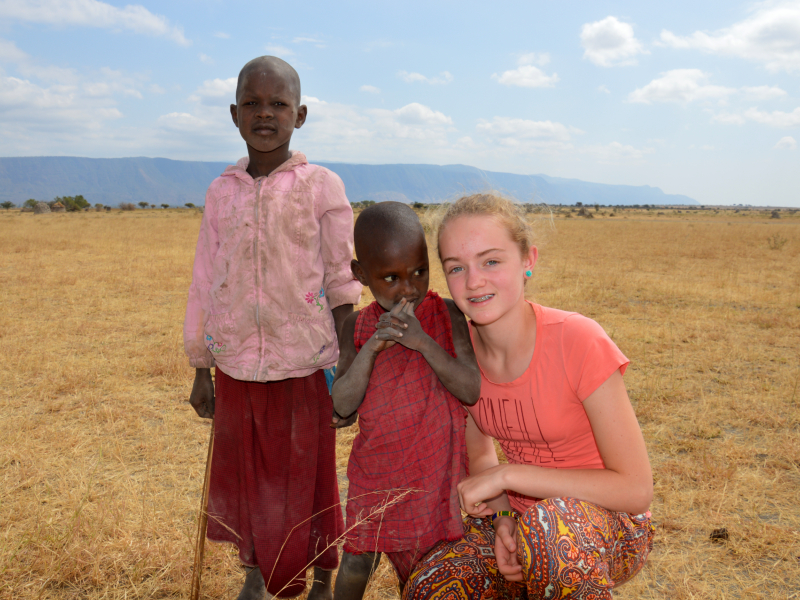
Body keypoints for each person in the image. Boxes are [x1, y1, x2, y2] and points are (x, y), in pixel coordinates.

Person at [404, 194, 655, 600]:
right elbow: (482, 457)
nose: (474, 281)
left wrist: (508, 475)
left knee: (548, 532)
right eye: (456, 268)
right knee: (433, 584)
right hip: (522, 521)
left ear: (527, 260)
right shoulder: (459, 356)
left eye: (491, 261)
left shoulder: (578, 340)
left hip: (612, 524)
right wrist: (503, 517)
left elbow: (635, 489)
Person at [183, 56, 361, 600]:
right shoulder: (222, 192)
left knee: (307, 478)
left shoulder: (321, 185)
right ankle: (258, 574)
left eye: (278, 104)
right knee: (252, 479)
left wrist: (349, 362)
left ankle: (324, 578)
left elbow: (342, 278)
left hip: (304, 363)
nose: (266, 114)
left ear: (300, 115)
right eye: (253, 104)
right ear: (234, 115)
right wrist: (200, 366)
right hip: (237, 365)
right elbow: (205, 278)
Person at [329, 202, 481, 599]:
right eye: (391, 277)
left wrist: (422, 342)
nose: (409, 288)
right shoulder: (357, 326)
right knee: (357, 559)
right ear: (361, 275)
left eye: (419, 271)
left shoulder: (447, 315)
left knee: (425, 567)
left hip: (431, 473)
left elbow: (470, 389)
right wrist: (373, 347)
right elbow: (342, 403)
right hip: (375, 470)